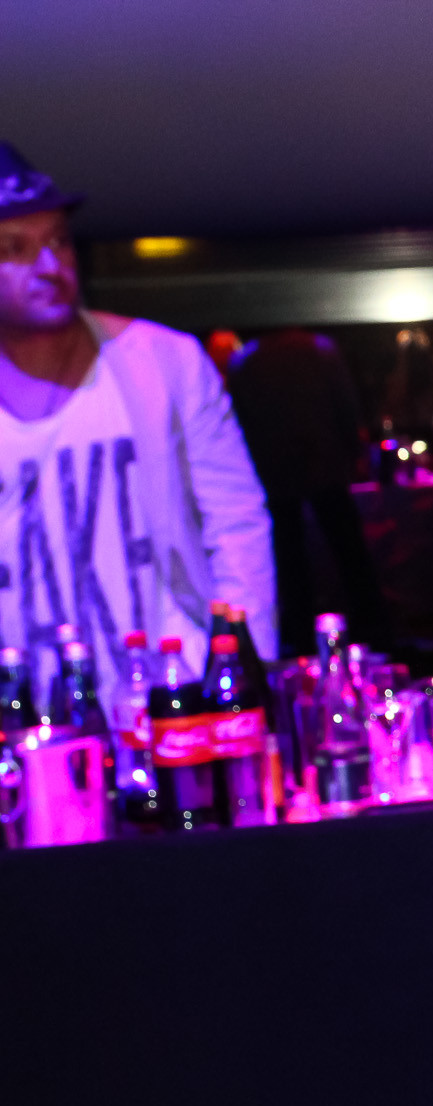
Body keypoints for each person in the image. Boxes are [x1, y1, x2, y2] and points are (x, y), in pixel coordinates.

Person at [0, 143, 274, 698]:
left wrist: (242, 670)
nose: (51, 267)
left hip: (176, 698)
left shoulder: (163, 362)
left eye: (59, 241)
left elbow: (236, 522)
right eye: (15, 249)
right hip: (27, 717)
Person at [226, 328, 391, 654]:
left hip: (275, 467)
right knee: (347, 547)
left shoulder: (246, 360)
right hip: (321, 461)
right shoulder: (318, 350)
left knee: (290, 556)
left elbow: (238, 419)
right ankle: (372, 623)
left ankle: (299, 633)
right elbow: (345, 403)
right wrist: (353, 449)